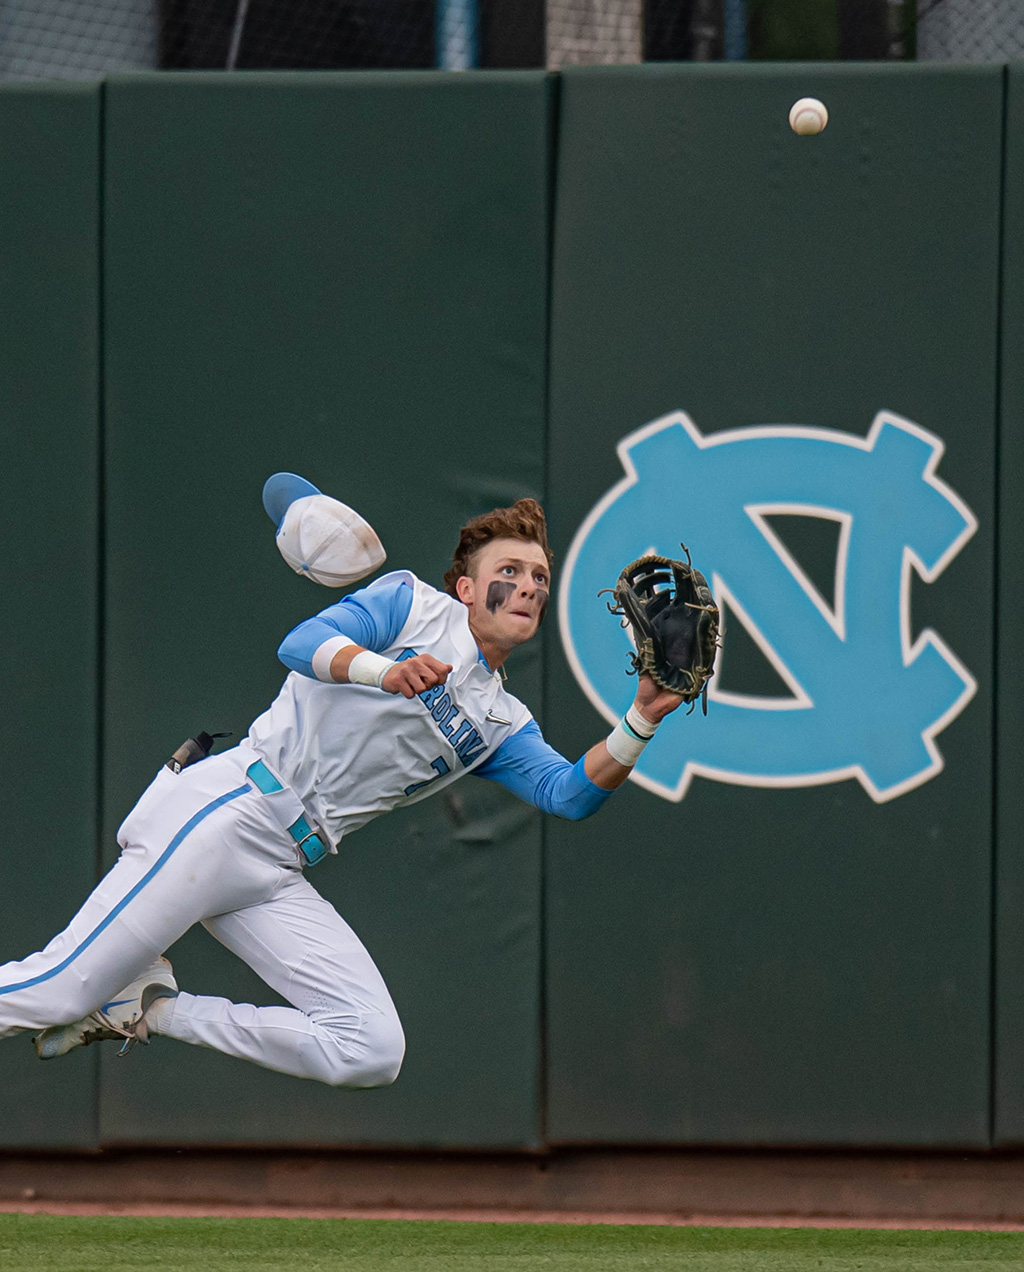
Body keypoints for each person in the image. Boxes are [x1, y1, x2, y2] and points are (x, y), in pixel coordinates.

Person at [0, 495, 684, 1086]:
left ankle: (150, 1009)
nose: (528, 585)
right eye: (508, 571)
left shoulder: (502, 720)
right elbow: (302, 642)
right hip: (228, 810)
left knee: (368, 1049)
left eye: (538, 575)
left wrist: (641, 718)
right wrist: (385, 673)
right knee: (56, 986)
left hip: (278, 866)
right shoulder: (414, 603)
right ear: (466, 588)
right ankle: (100, 997)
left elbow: (568, 794)